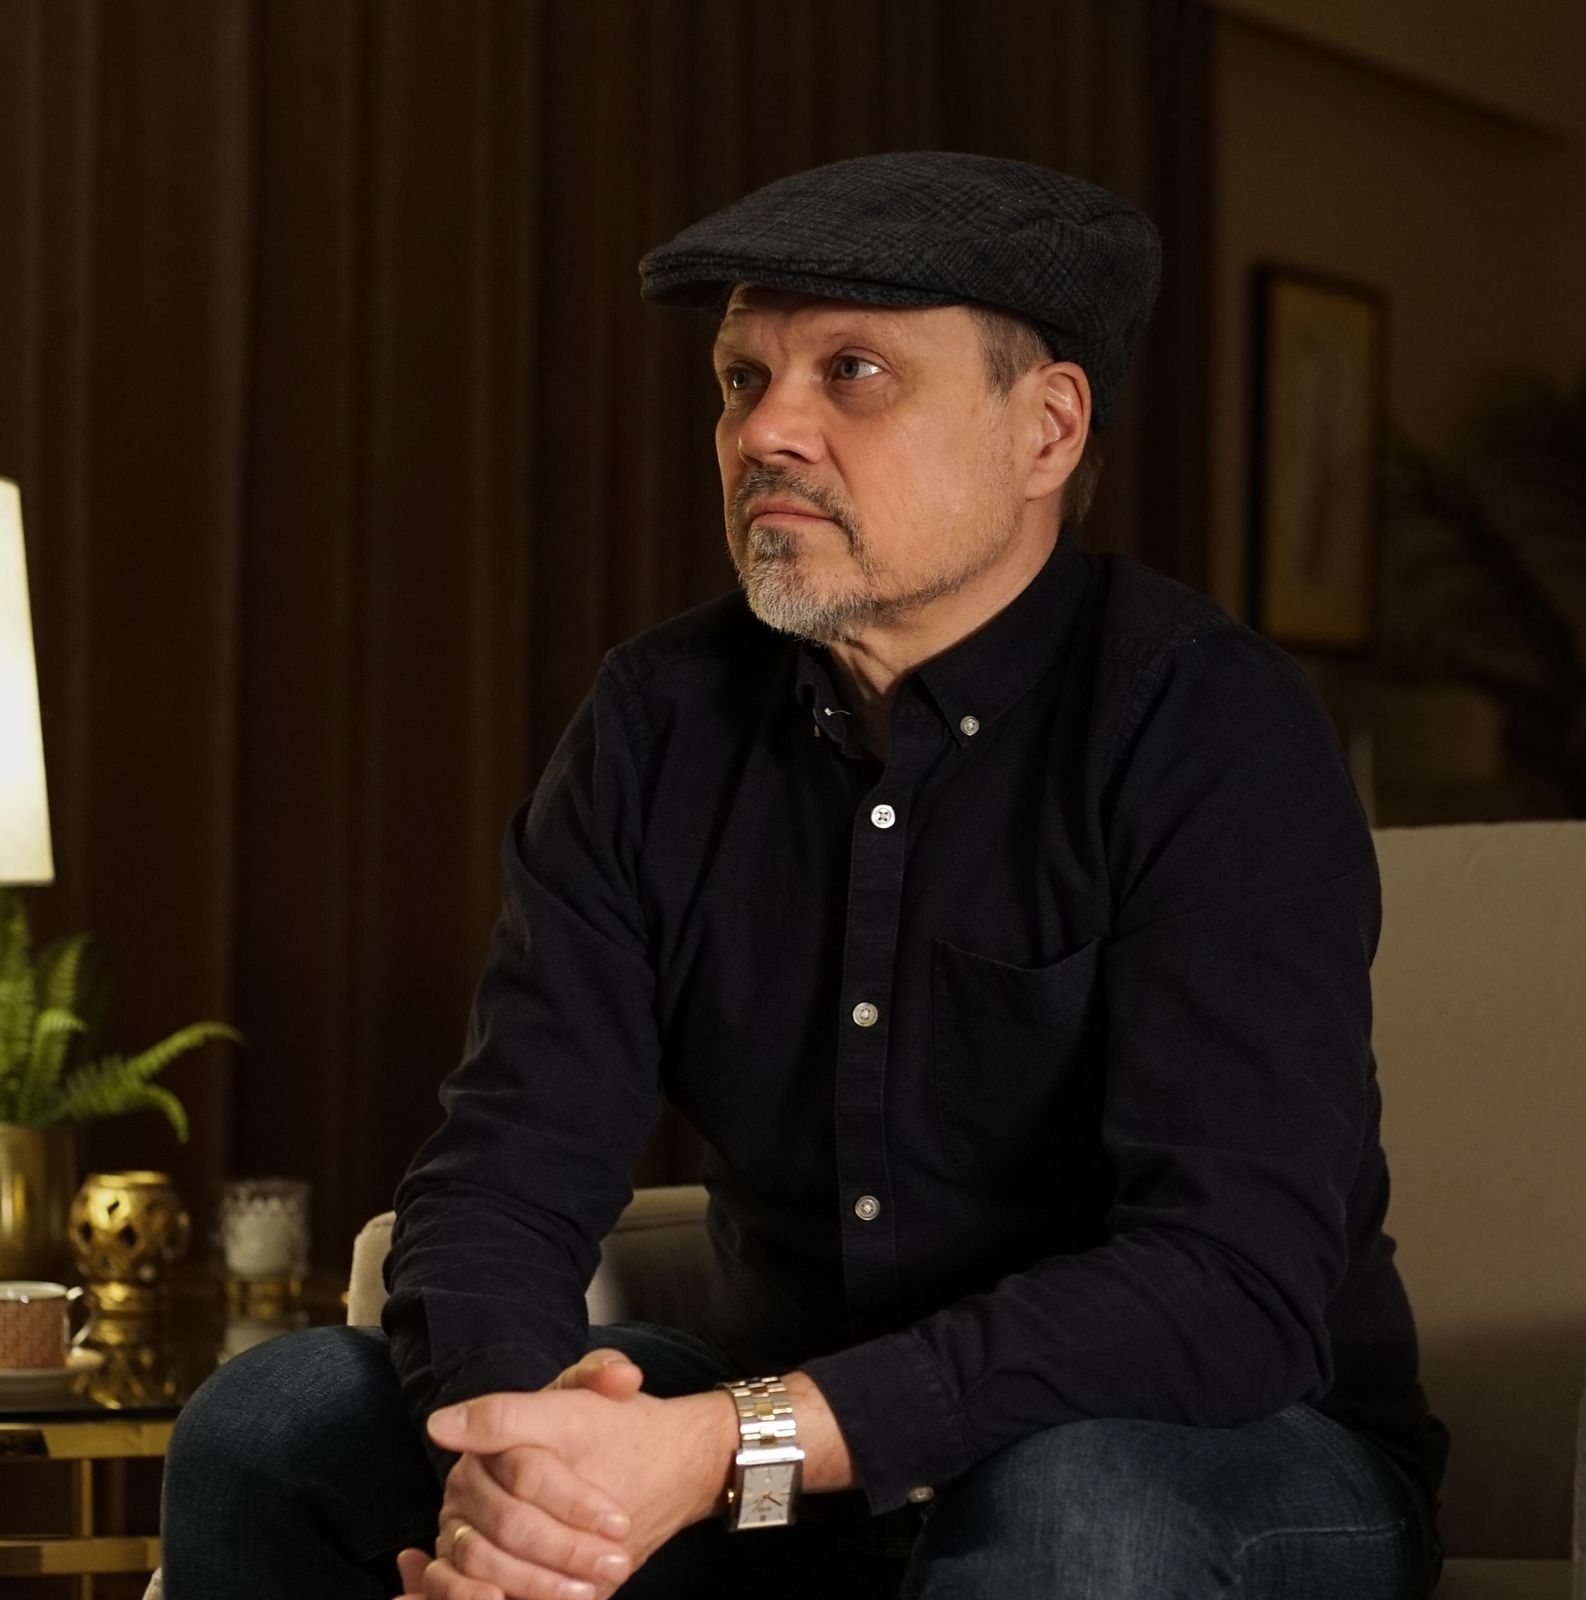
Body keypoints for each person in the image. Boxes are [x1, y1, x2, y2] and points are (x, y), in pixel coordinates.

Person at [160, 152, 1447, 1600]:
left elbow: (1226, 1284)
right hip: (789, 1457)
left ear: (1045, 429)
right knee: (272, 1426)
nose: (765, 430)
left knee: (1070, 1510)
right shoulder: (660, 719)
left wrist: (729, 1442)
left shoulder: (1208, 725)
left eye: (852, 372)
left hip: (1220, 1455)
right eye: (739, 380)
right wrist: (520, 1463)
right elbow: (507, 1167)